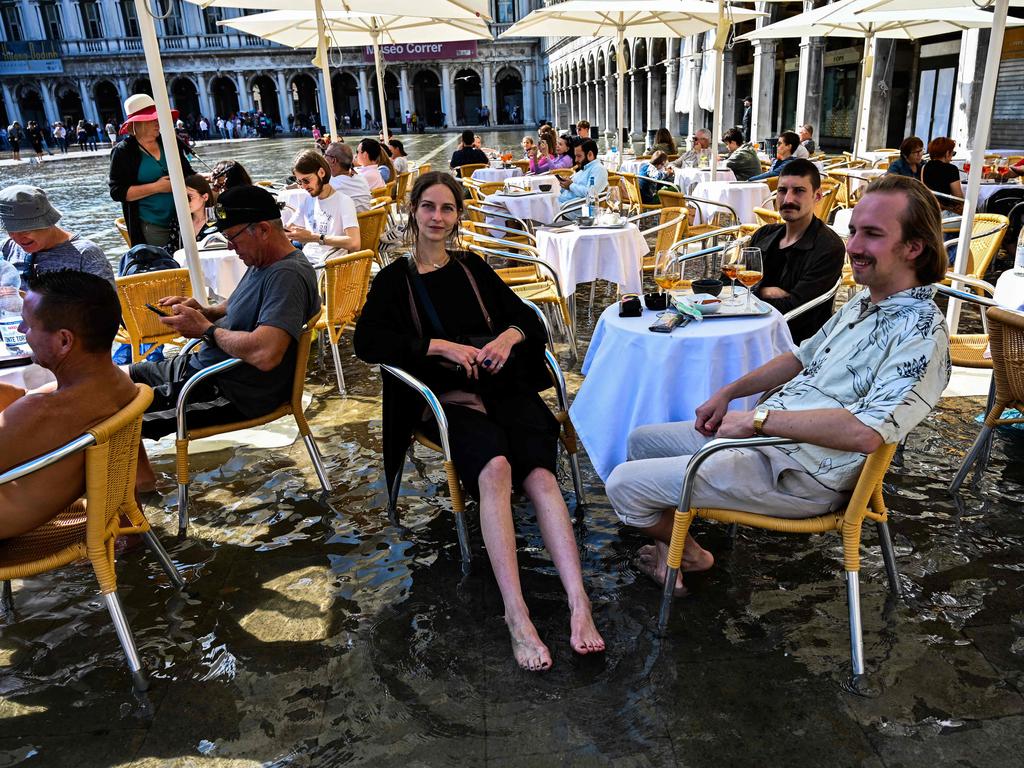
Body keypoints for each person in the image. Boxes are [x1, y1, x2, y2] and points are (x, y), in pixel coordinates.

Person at [605, 174, 951, 595]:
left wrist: (758, 420)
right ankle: (677, 547)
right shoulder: (866, 300)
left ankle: (689, 554)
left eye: (873, 235)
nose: (854, 247)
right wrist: (727, 394)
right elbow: (798, 356)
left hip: (801, 476)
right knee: (641, 440)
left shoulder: (921, 334)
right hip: (770, 446)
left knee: (623, 484)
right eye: (854, 231)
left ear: (914, 248)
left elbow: (864, 432)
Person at [352, 172, 605, 670]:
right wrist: (438, 346)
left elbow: (526, 317)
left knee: (540, 475)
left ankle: (579, 601)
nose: (438, 218)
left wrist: (507, 339)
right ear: (413, 210)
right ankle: (516, 614)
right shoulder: (393, 280)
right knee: (496, 470)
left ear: (458, 216)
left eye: (448, 209)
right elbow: (367, 343)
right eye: (429, 207)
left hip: (502, 389)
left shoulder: (472, 267)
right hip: (446, 401)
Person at [127, 186, 321, 488]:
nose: (230, 247)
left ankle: (133, 499)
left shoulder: (287, 275)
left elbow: (266, 354)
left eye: (232, 237)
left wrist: (205, 329)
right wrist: (205, 311)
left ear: (263, 230)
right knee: (111, 382)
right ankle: (142, 484)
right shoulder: (263, 262)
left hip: (232, 390)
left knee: (114, 414)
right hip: (204, 369)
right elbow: (237, 305)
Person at [0, 272, 139, 540]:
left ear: (64, 340)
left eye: (27, 324)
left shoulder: (40, 412)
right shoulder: (120, 386)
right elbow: (141, 479)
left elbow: (30, 411)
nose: (20, 331)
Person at [746, 159, 846, 343]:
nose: (788, 199)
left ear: (817, 196)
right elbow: (730, 283)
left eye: (799, 191)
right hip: (746, 327)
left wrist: (752, 293)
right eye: (782, 191)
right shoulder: (764, 235)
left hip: (790, 342)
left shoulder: (828, 247)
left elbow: (797, 309)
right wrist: (766, 291)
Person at [108, 94, 196, 249]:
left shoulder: (169, 141)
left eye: (158, 118)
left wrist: (207, 178)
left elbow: (188, 173)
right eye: (153, 119)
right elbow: (117, 192)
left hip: (184, 217)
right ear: (138, 124)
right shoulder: (123, 152)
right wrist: (158, 187)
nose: (158, 122)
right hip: (150, 225)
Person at [1, 185, 115, 287]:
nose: (17, 238)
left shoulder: (85, 254)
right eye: (10, 231)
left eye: (24, 231)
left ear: (48, 222)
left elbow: (107, 307)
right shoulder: (7, 247)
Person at [284, 150, 361, 264]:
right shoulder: (307, 200)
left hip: (329, 268)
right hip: (306, 263)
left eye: (306, 180)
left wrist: (314, 237)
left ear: (321, 172)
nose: (304, 187)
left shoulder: (344, 201)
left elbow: (355, 244)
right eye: (300, 182)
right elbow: (288, 229)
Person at [324, 142, 373, 212]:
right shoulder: (362, 180)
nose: (323, 157)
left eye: (326, 155)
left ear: (333, 160)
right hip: (369, 221)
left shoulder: (330, 185)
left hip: (345, 222)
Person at [557, 139, 608, 206]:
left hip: (571, 209)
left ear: (590, 154)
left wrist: (570, 185)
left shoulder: (598, 169)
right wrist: (565, 184)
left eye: (579, 156)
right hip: (564, 205)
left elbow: (591, 193)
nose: (576, 160)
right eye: (575, 156)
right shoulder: (583, 169)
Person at [922, 136, 963, 214]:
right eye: (952, 153)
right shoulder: (951, 169)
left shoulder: (924, 167)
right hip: (943, 214)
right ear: (947, 153)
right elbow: (958, 198)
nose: (951, 158)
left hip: (927, 213)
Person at [185, 174, 215, 239]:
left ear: (205, 197)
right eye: (182, 196)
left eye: (190, 196)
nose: (185, 201)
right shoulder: (180, 221)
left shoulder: (219, 220)